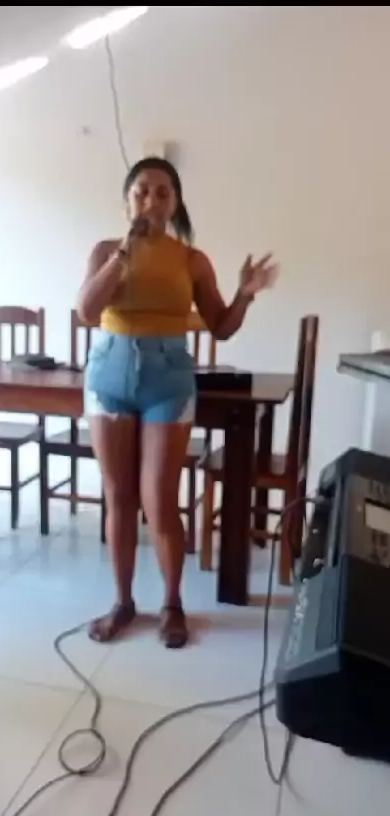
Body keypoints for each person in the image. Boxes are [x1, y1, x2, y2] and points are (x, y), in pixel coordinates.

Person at [77, 157, 278, 649]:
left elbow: (221, 327)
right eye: (142, 191)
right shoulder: (106, 250)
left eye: (163, 192)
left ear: (176, 203)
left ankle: (172, 604)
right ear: (127, 200)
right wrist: (124, 254)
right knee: (118, 496)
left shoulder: (192, 260)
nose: (152, 199)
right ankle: (123, 603)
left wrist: (245, 294)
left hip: (168, 380)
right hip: (109, 375)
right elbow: (87, 311)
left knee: (159, 498)